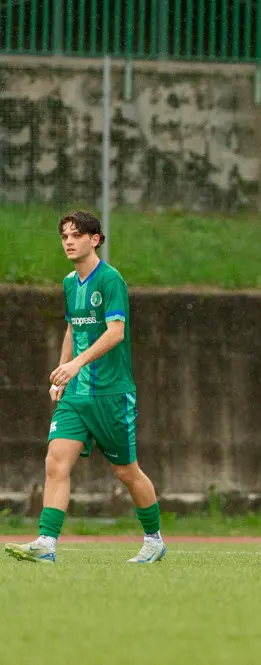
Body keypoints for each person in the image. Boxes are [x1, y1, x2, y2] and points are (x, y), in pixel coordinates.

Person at [5, 211, 167, 564]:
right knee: (55, 462)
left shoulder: (111, 281)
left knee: (126, 471)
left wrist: (76, 364)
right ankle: (46, 543)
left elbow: (116, 333)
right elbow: (72, 330)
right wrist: (63, 373)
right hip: (77, 395)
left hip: (112, 393)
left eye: (76, 235)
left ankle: (154, 540)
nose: (68, 241)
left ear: (94, 239)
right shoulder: (68, 282)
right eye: (64, 235)